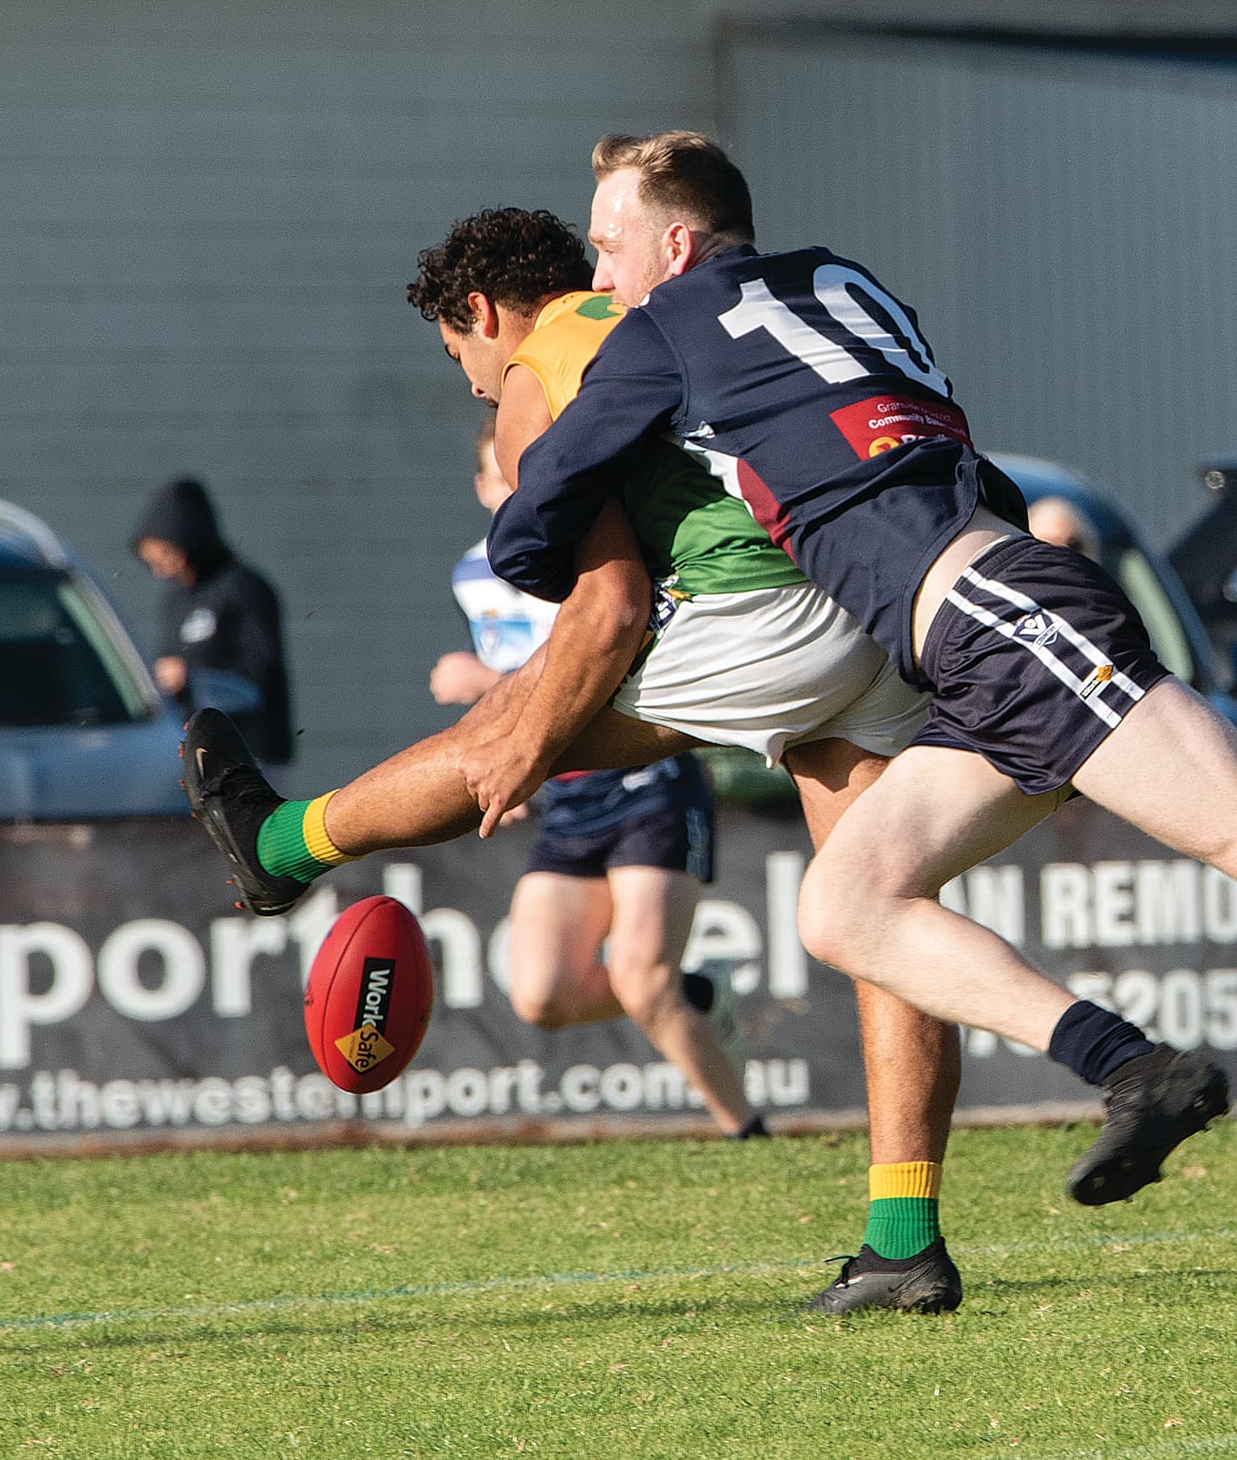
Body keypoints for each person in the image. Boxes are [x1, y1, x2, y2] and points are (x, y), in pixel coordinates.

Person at [190, 133, 1237, 1250]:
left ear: (674, 247)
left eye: (609, 236)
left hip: (984, 612)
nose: (595, 266)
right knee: (850, 901)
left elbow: (557, 514)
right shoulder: (838, 280)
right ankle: (1125, 1066)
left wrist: (531, 550)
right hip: (964, 628)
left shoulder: (661, 314)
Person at [189, 205, 963, 1314]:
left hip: (764, 615)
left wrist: (532, 745)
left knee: (504, 722)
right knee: (886, 918)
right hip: (871, 585)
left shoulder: (535, 373)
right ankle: (905, 1238)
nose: (468, 382)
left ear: (486, 312)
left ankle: (283, 842)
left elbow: (608, 606)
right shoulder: (661, 308)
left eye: (458, 351)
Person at [437, 412, 760, 1137]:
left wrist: (487, 683)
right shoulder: (471, 575)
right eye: (503, 472)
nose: (518, 484)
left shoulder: (595, 550)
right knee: (541, 994)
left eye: (529, 466)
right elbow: (529, 689)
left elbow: (600, 659)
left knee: (643, 978)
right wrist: (506, 754)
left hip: (647, 776)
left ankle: (747, 1131)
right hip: (569, 793)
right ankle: (701, 992)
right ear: (485, 484)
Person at [132, 475, 293, 763]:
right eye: (153, 563)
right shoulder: (175, 599)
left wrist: (190, 675)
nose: (161, 570)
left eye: (166, 556)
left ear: (189, 539)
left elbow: (261, 668)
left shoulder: (242, 588)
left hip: (251, 751)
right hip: (200, 751)